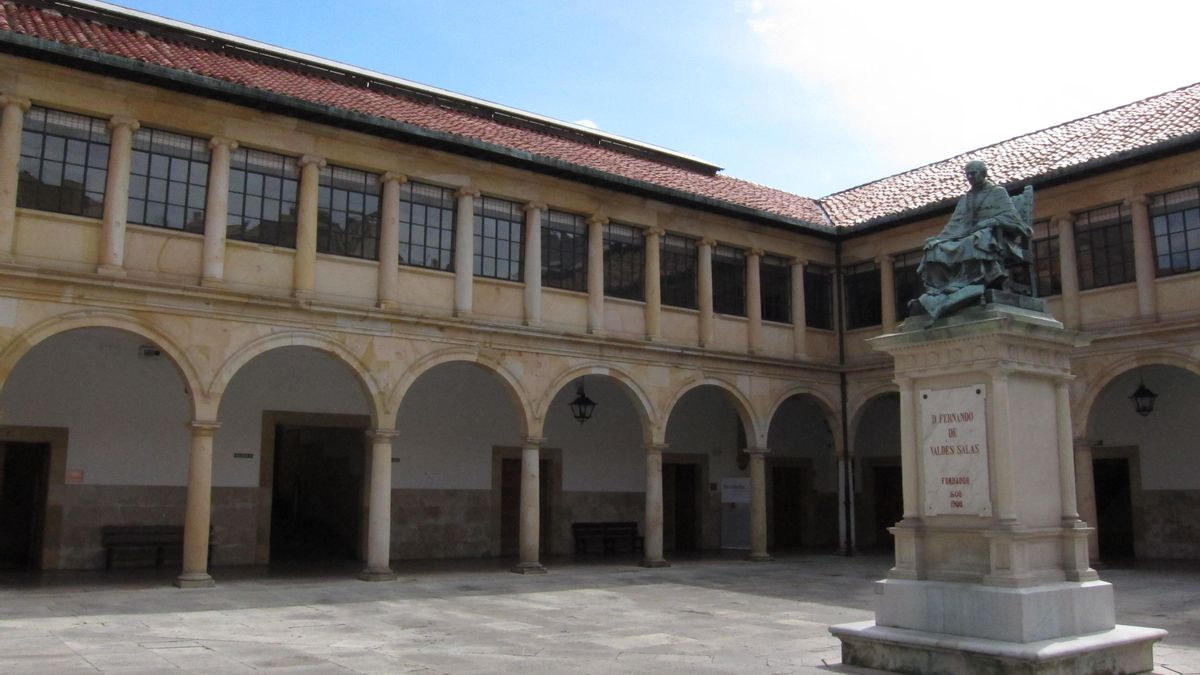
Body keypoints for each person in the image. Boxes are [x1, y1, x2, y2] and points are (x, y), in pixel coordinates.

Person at [915, 160, 1030, 320]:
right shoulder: (966, 198)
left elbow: (1011, 217)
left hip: (996, 237)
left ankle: (971, 281)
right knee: (934, 247)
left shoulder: (998, 192)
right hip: (966, 235)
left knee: (977, 239)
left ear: (983, 173)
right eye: (967, 174)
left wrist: (990, 222)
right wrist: (940, 238)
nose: (970, 177)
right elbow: (955, 223)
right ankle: (943, 287)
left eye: (973, 173)